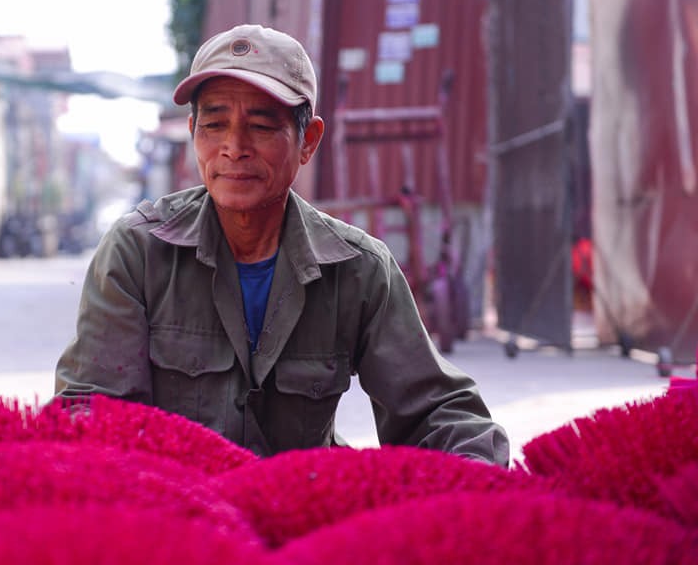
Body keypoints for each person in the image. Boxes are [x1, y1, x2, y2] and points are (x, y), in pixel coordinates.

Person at [54, 23, 510, 466]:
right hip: (176, 518)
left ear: (308, 141)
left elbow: (437, 411)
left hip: (303, 516)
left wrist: (479, 478)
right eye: (214, 124)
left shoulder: (358, 269)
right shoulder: (138, 253)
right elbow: (93, 415)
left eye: (261, 126)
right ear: (193, 131)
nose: (234, 147)